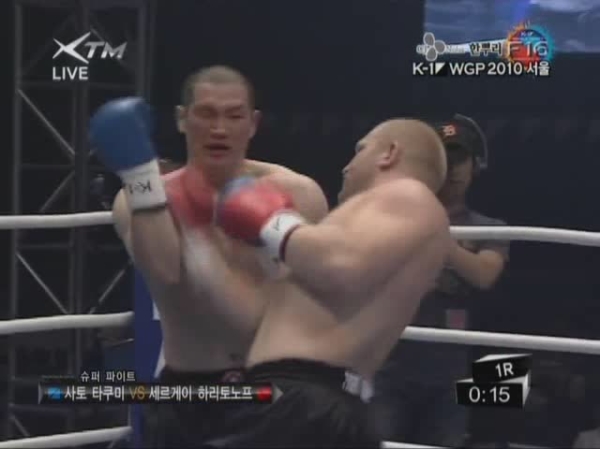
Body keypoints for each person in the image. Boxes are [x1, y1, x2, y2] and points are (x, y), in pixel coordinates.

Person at [89, 65, 329, 447]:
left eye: (233, 116)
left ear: (253, 124)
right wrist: (140, 177)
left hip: (275, 389)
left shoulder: (300, 193)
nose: (219, 128)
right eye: (206, 113)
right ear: (181, 119)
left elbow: (309, 298)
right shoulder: (142, 198)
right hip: (189, 393)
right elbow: (163, 272)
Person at [200, 118, 452, 448]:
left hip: (302, 403)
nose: (347, 166)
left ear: (389, 153)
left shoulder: (409, 195)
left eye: (360, 149)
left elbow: (339, 265)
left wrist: (269, 220)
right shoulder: (381, 226)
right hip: (313, 401)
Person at [371, 114, 510, 447]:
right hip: (391, 361)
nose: (454, 168)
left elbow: (484, 275)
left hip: (451, 370)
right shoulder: (395, 215)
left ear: (475, 165)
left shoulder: (491, 227)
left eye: (461, 158)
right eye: (446, 159)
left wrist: (437, 235)